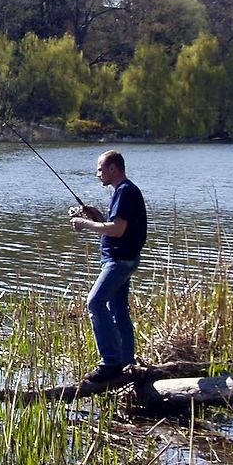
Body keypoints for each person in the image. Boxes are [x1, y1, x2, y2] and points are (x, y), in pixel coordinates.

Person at [70, 150, 148, 383]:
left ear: (113, 169)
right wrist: (97, 217)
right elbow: (115, 226)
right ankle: (126, 363)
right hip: (124, 259)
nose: (98, 174)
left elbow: (117, 230)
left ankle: (110, 362)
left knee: (94, 302)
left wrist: (84, 224)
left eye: (100, 169)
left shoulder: (124, 191)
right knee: (119, 310)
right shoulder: (125, 191)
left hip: (119, 262)